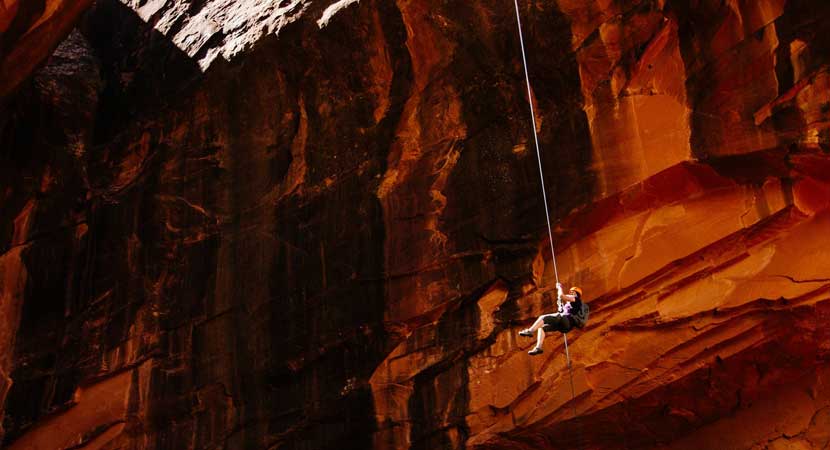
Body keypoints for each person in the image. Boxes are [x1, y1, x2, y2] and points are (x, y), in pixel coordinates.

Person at [519, 283, 584, 355]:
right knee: (542, 328)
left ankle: (530, 331)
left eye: (572, 292)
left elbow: (562, 296)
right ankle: (538, 347)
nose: (570, 293)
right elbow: (564, 304)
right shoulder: (570, 305)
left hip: (566, 320)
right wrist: (561, 307)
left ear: (576, 294)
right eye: (571, 292)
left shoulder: (576, 299)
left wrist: (559, 288)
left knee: (543, 318)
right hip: (565, 326)